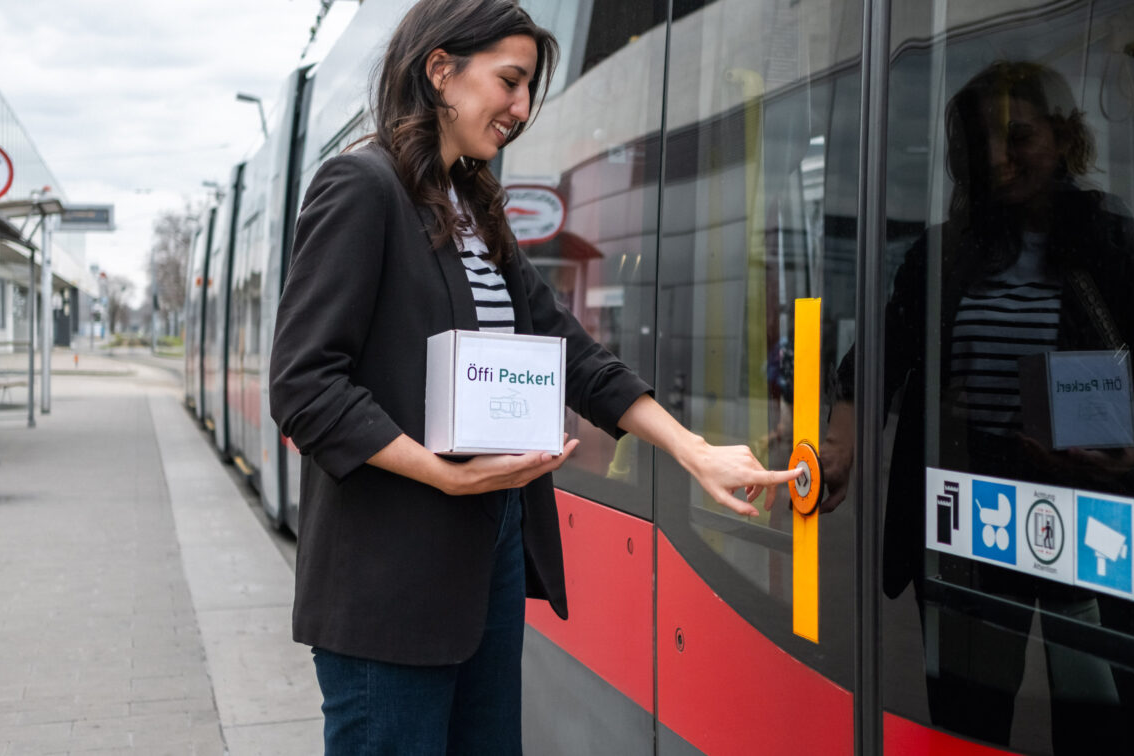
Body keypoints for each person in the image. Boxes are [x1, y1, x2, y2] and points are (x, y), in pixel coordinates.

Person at [267, 1, 801, 753]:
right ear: (440, 69)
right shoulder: (362, 187)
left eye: (528, 90)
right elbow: (303, 385)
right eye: (510, 82)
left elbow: (571, 352)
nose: (521, 109)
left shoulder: (472, 208)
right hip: (388, 580)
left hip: (484, 555)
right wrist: (443, 476)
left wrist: (693, 450)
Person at [817, 61, 1134, 752]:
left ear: (1063, 138)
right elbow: (878, 358)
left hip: (1087, 504)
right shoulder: (946, 251)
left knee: (1104, 726)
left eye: (1019, 136)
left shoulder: (1106, 236)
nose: (999, 158)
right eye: (982, 142)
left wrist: (1117, 441)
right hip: (973, 511)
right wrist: (841, 444)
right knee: (970, 722)